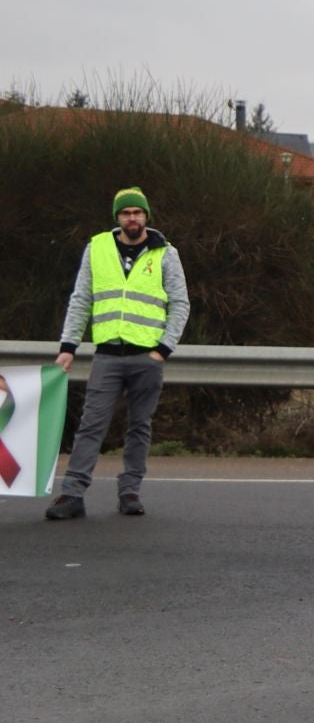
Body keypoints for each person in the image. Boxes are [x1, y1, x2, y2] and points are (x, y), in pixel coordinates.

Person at [45, 188, 190, 520]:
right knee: (91, 425)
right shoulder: (97, 248)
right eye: (126, 213)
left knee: (139, 426)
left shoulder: (165, 253)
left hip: (147, 357)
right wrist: (69, 347)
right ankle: (72, 494)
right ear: (117, 218)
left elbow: (180, 303)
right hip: (108, 355)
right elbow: (81, 299)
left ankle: (130, 491)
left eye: (138, 213)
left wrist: (164, 349)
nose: (132, 218)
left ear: (146, 217)